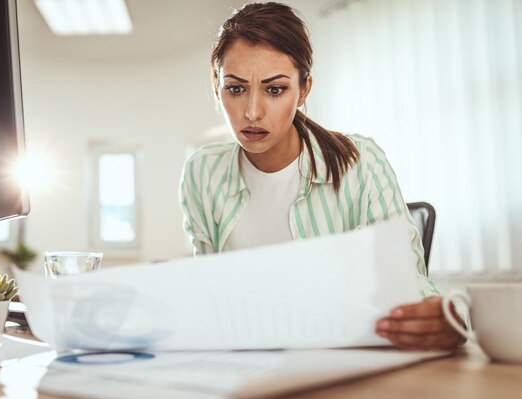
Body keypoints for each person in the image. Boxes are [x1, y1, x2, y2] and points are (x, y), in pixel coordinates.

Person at [179, 2, 462, 350]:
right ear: (217, 87)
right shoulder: (202, 172)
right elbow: (208, 293)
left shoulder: (361, 161)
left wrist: (440, 315)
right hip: (245, 366)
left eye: (275, 89)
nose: (252, 112)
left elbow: (405, 280)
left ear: (304, 89)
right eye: (235, 89)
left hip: (338, 365)